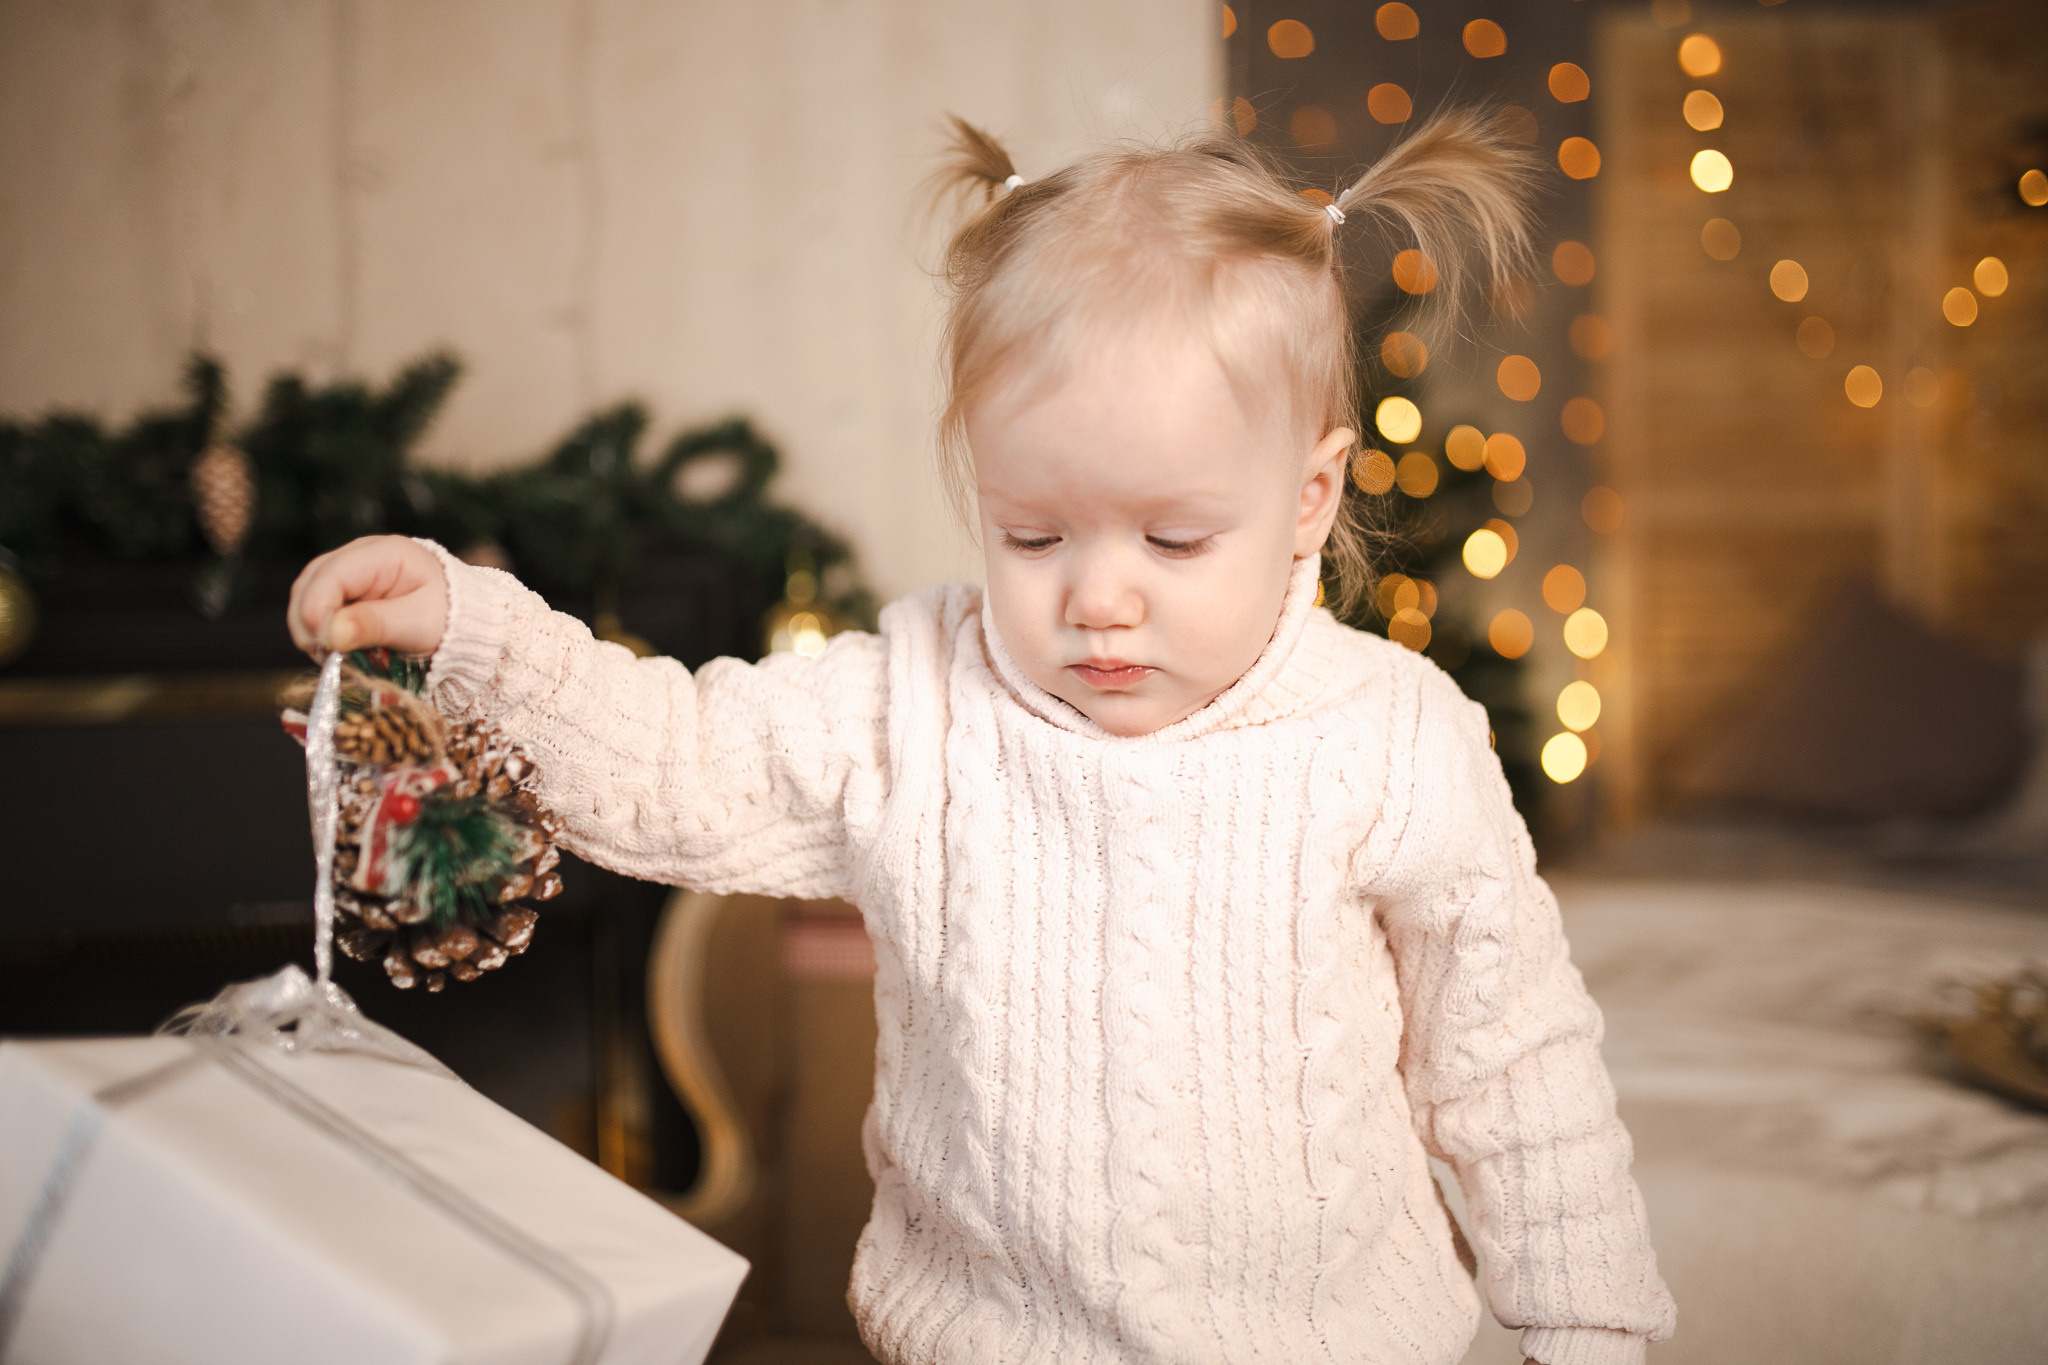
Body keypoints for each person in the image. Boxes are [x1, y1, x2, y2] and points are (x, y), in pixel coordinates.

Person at [288, 109, 1675, 1365]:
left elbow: (1511, 1061)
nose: (1098, 594)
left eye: (1176, 536)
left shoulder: (1391, 738)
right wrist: (469, 627)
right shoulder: (918, 702)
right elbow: (673, 759)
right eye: (1032, 532)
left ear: (1309, 496)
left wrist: (1590, 1330)